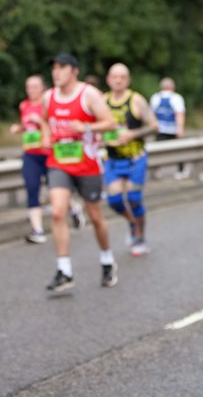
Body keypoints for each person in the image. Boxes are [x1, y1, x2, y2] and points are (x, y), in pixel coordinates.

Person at [42, 53, 119, 292]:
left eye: (62, 67)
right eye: (54, 68)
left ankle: (107, 260)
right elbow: (46, 120)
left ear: (74, 71)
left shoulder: (89, 95)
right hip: (59, 162)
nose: (56, 72)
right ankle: (64, 270)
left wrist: (85, 126)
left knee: (95, 217)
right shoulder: (48, 97)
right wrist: (46, 135)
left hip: (87, 164)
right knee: (57, 212)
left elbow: (110, 123)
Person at [103, 63, 158, 256]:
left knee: (134, 198)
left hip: (135, 158)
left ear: (128, 80)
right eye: (114, 76)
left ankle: (139, 236)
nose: (118, 80)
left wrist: (132, 134)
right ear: (108, 79)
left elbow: (154, 126)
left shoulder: (136, 101)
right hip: (112, 160)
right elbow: (96, 128)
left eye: (122, 77)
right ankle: (132, 222)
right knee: (115, 200)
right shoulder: (102, 101)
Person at [10, 75, 50, 243]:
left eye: (35, 86)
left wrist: (40, 121)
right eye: (28, 87)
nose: (31, 90)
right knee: (32, 188)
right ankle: (38, 230)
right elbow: (27, 127)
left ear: (42, 88)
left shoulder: (49, 104)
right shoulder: (24, 105)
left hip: (48, 153)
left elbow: (53, 126)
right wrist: (18, 128)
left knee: (56, 190)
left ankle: (73, 208)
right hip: (31, 154)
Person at [149, 77, 188, 179]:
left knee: (158, 152)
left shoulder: (155, 97)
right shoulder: (176, 98)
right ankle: (181, 171)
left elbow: (151, 114)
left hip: (160, 130)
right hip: (173, 130)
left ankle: (156, 171)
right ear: (173, 88)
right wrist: (181, 129)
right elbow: (179, 114)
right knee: (178, 152)